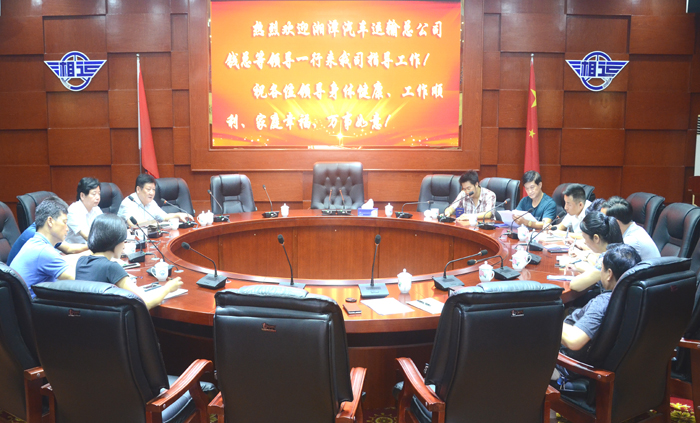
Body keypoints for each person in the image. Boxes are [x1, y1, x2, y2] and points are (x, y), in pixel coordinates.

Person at [75, 214, 183, 310]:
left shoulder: (81, 262)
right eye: (123, 241)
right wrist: (168, 288)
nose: (124, 246)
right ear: (115, 241)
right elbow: (145, 303)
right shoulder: (111, 267)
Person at [560, 243, 641, 352]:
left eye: (601, 269)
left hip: (563, 354)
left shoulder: (604, 302)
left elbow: (573, 341)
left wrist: (548, 319)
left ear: (609, 274)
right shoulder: (636, 296)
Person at [11, 197, 75, 297]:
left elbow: (64, 262)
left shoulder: (35, 243)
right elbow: (77, 277)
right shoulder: (43, 251)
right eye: (64, 222)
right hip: (36, 305)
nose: (67, 228)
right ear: (50, 221)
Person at [564, 211, 623, 293]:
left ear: (596, 238)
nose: (584, 242)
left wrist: (580, 267)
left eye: (585, 238)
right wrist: (581, 268)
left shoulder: (607, 259)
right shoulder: (621, 251)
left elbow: (574, 285)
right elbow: (600, 273)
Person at [118, 174, 192, 227]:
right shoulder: (128, 202)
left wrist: (178, 215)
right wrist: (154, 222)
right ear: (138, 189)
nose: (152, 193)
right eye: (148, 189)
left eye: (153, 189)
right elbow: (134, 224)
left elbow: (164, 217)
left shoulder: (151, 202)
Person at [602, 196, 660, 261]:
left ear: (615, 222)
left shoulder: (631, 241)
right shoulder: (633, 229)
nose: (601, 223)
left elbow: (610, 263)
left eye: (604, 220)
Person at [65, 177, 102, 244]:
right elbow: (87, 236)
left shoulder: (96, 209)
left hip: (90, 247)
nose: (98, 197)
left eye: (99, 194)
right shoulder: (73, 210)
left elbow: (104, 229)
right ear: (82, 196)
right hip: (75, 248)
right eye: (94, 194)